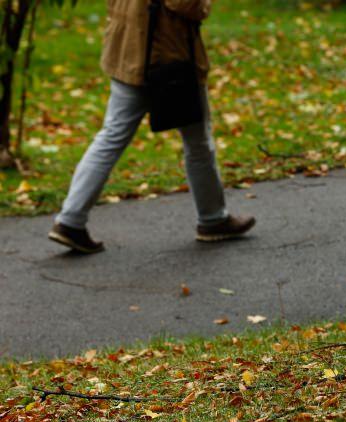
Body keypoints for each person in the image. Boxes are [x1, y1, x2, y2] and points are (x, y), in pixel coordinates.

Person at [49, 0, 255, 254]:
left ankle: (70, 219)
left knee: (110, 136)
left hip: (127, 48)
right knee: (198, 141)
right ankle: (213, 220)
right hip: (168, 57)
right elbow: (187, 5)